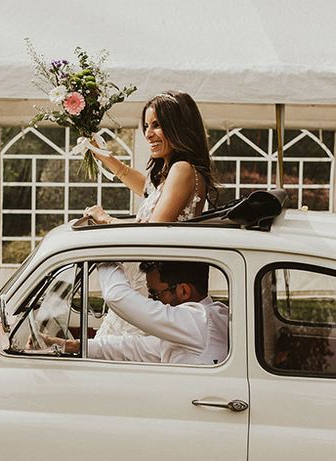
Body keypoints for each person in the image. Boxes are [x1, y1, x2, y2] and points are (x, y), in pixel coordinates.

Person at [83, 91, 219, 339]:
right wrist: (104, 155)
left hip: (148, 291)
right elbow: (144, 186)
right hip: (141, 286)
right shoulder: (176, 172)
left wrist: (106, 220)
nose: (148, 134)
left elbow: (153, 233)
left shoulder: (182, 169)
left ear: (178, 126)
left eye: (157, 125)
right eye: (146, 126)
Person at [56, 261, 228, 365]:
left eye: (155, 293)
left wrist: (102, 252)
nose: (153, 300)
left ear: (183, 291)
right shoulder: (201, 321)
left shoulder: (200, 320)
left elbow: (117, 297)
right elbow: (138, 348)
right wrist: (74, 346)